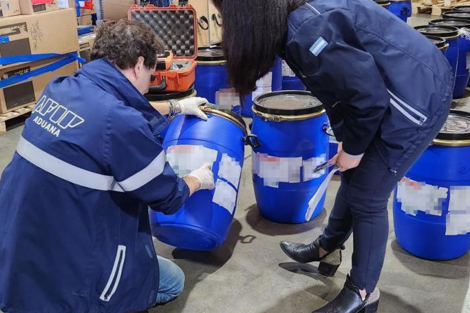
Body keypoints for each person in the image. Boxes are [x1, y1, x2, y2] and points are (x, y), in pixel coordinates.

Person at [212, 0, 453, 312]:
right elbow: (341, 90)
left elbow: (367, 98)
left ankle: (363, 291)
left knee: (368, 196)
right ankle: (327, 249)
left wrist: (354, 149)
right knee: (353, 175)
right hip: (394, 88)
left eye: (224, 17)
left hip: (417, 98)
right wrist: (349, 141)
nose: (224, 27)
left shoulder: (307, 32)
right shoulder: (293, 23)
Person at [0, 20, 215, 313]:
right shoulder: (121, 124)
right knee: (171, 280)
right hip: (70, 271)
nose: (147, 85)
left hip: (18, 249)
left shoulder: (61, 88)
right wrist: (197, 179)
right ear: (139, 65)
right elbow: (168, 196)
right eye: (151, 74)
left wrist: (176, 106)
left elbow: (104, 113)